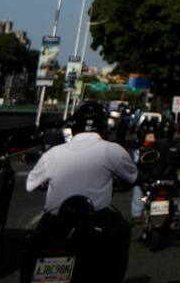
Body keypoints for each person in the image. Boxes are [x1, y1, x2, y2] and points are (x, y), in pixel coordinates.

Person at [27, 100, 138, 270]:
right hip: (96, 220)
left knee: (31, 241)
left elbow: (30, 185)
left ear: (73, 126)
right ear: (104, 127)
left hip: (55, 222)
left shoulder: (53, 153)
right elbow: (132, 176)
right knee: (122, 231)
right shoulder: (112, 150)